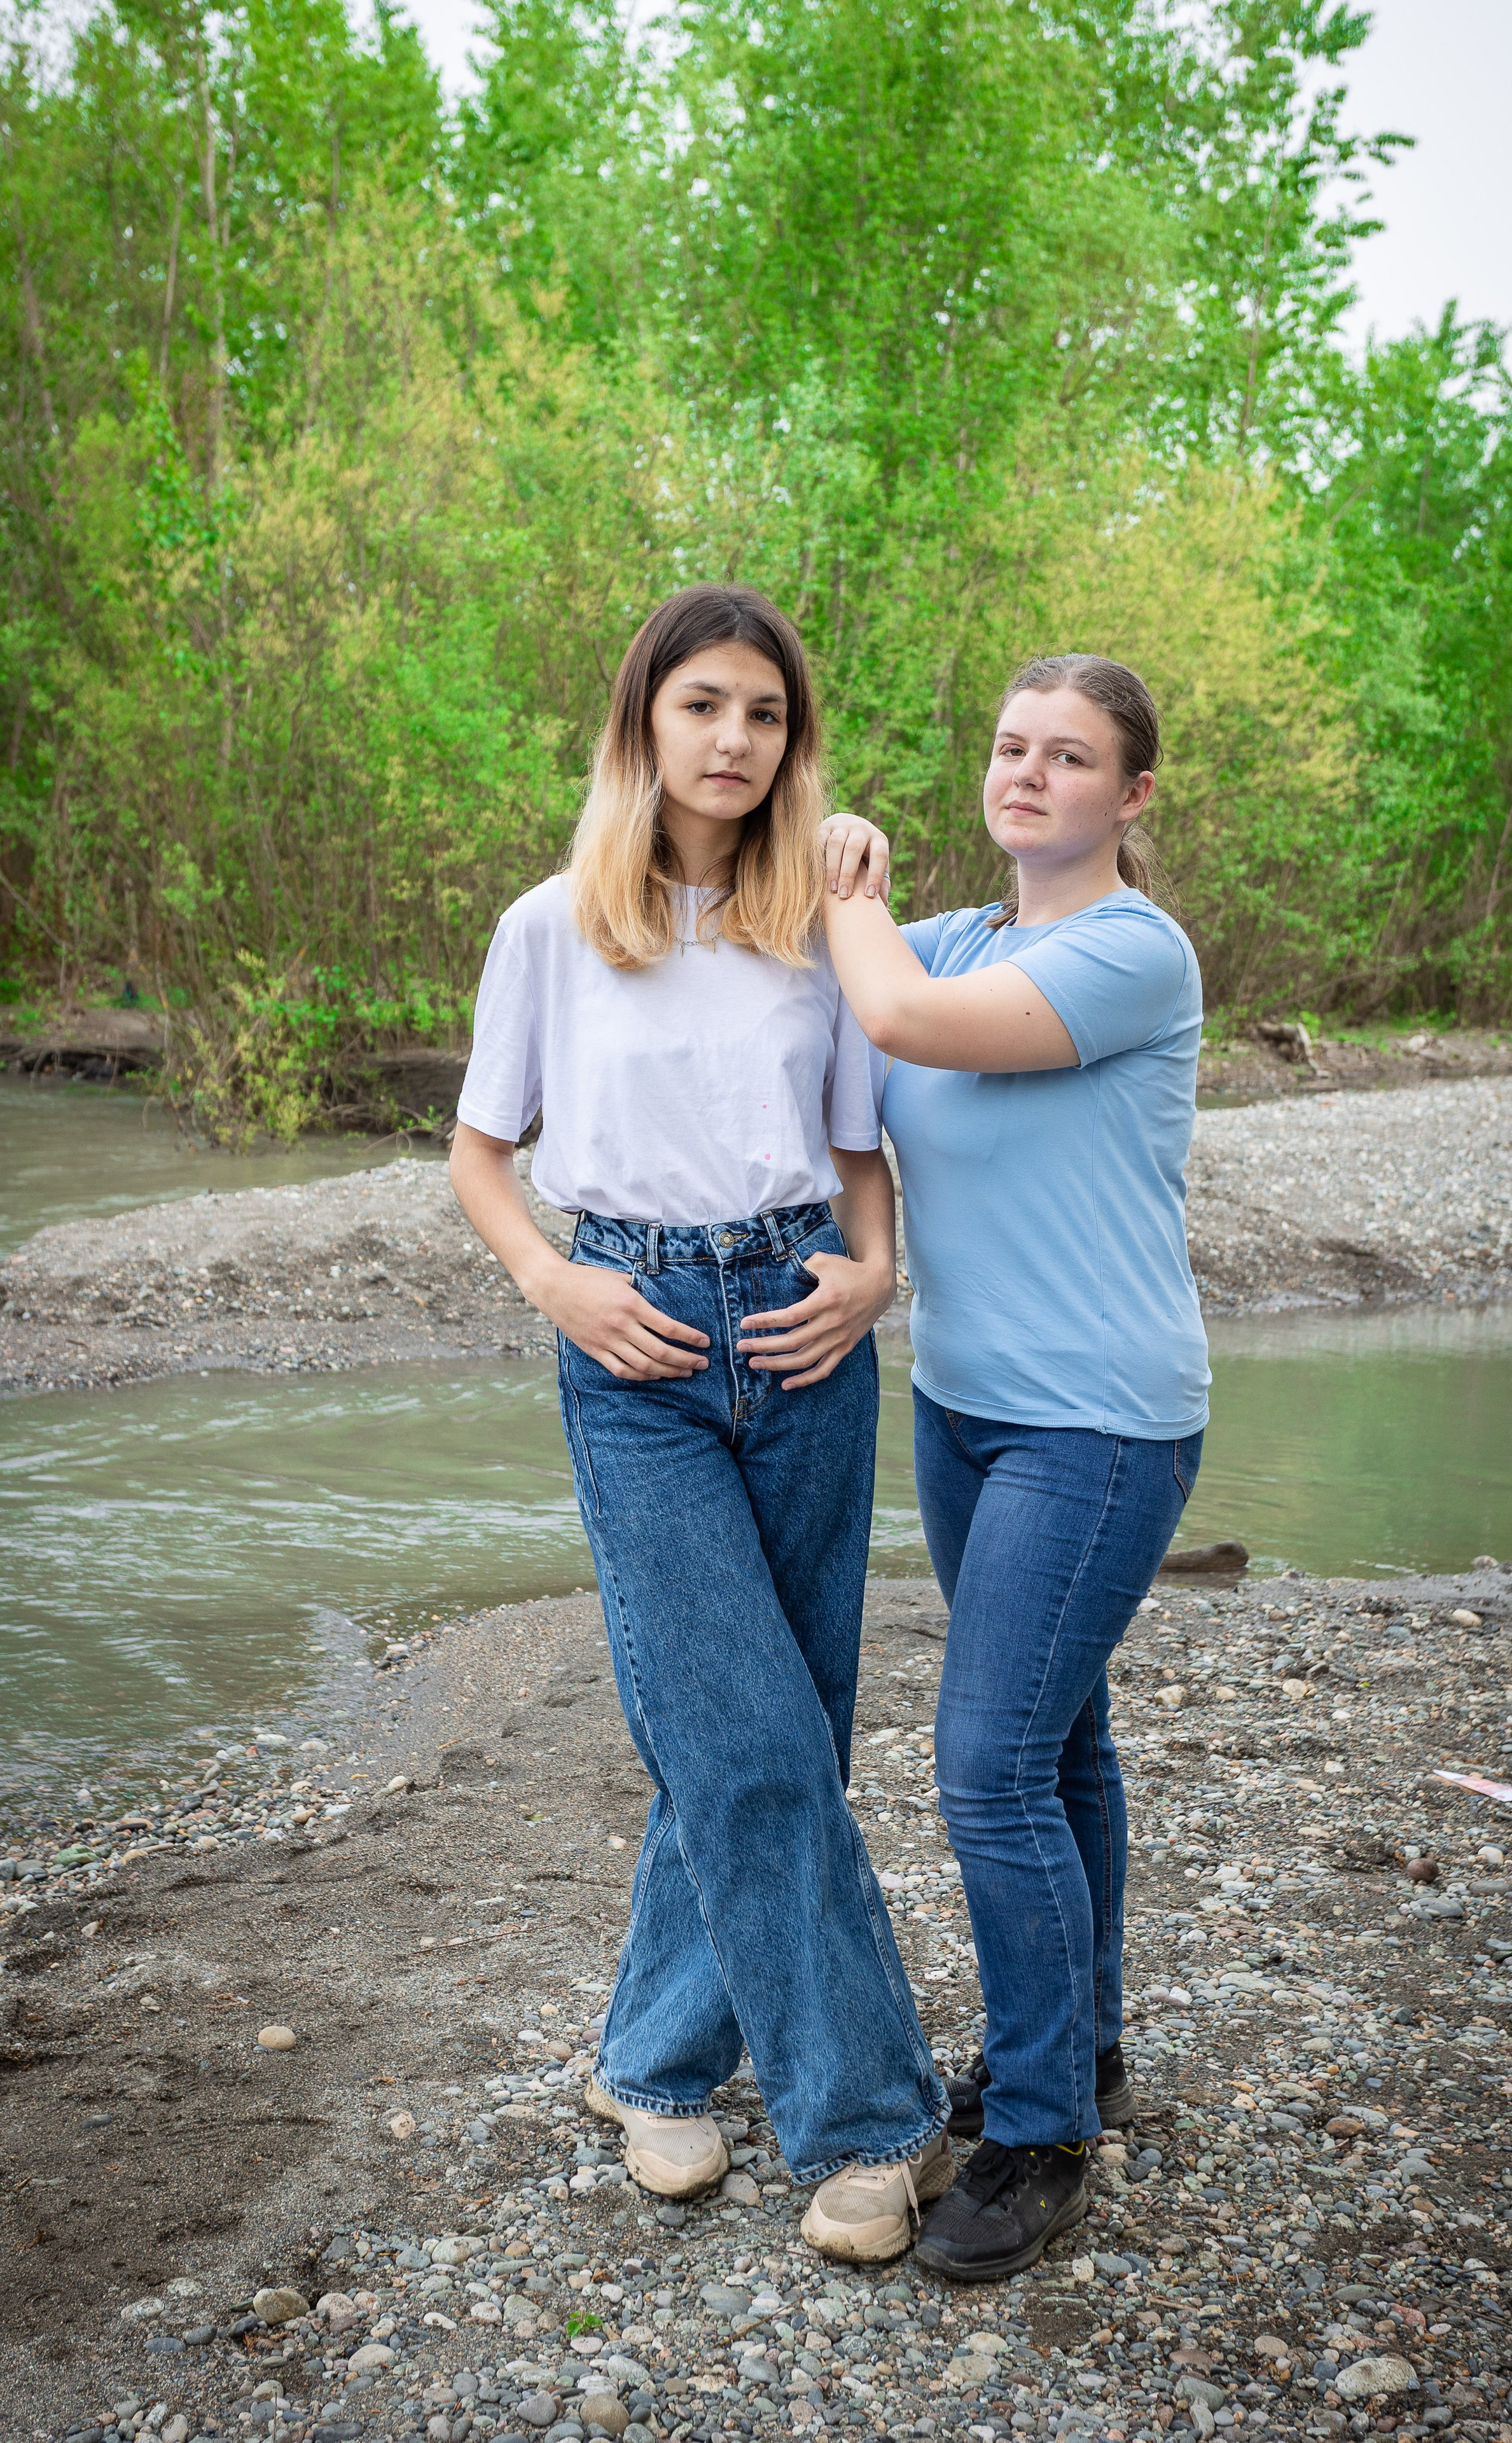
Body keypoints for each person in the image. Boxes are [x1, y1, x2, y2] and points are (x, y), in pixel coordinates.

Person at [448, 583, 951, 2265]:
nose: (735, 742)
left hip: (807, 1334)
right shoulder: (551, 928)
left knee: (780, 1728)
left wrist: (878, 1278)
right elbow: (480, 1155)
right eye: (704, 708)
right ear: (642, 725)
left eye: (766, 715)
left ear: (792, 739)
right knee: (740, 1738)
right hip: (636, 1343)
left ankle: (653, 2062)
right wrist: (554, 1284)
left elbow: (865, 1149)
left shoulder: (820, 920)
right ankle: (872, 2124)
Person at [817, 651, 1209, 2281]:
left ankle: (1041, 2131)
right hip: (966, 1408)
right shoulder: (963, 934)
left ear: (1128, 796)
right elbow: (812, 982)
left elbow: (890, 1017)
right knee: (1057, 1749)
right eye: (1006, 748)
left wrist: (847, 870)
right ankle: (1087, 2042)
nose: (1026, 774)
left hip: (1100, 1422)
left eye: (1067, 757)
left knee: (983, 1770)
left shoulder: (1132, 951)